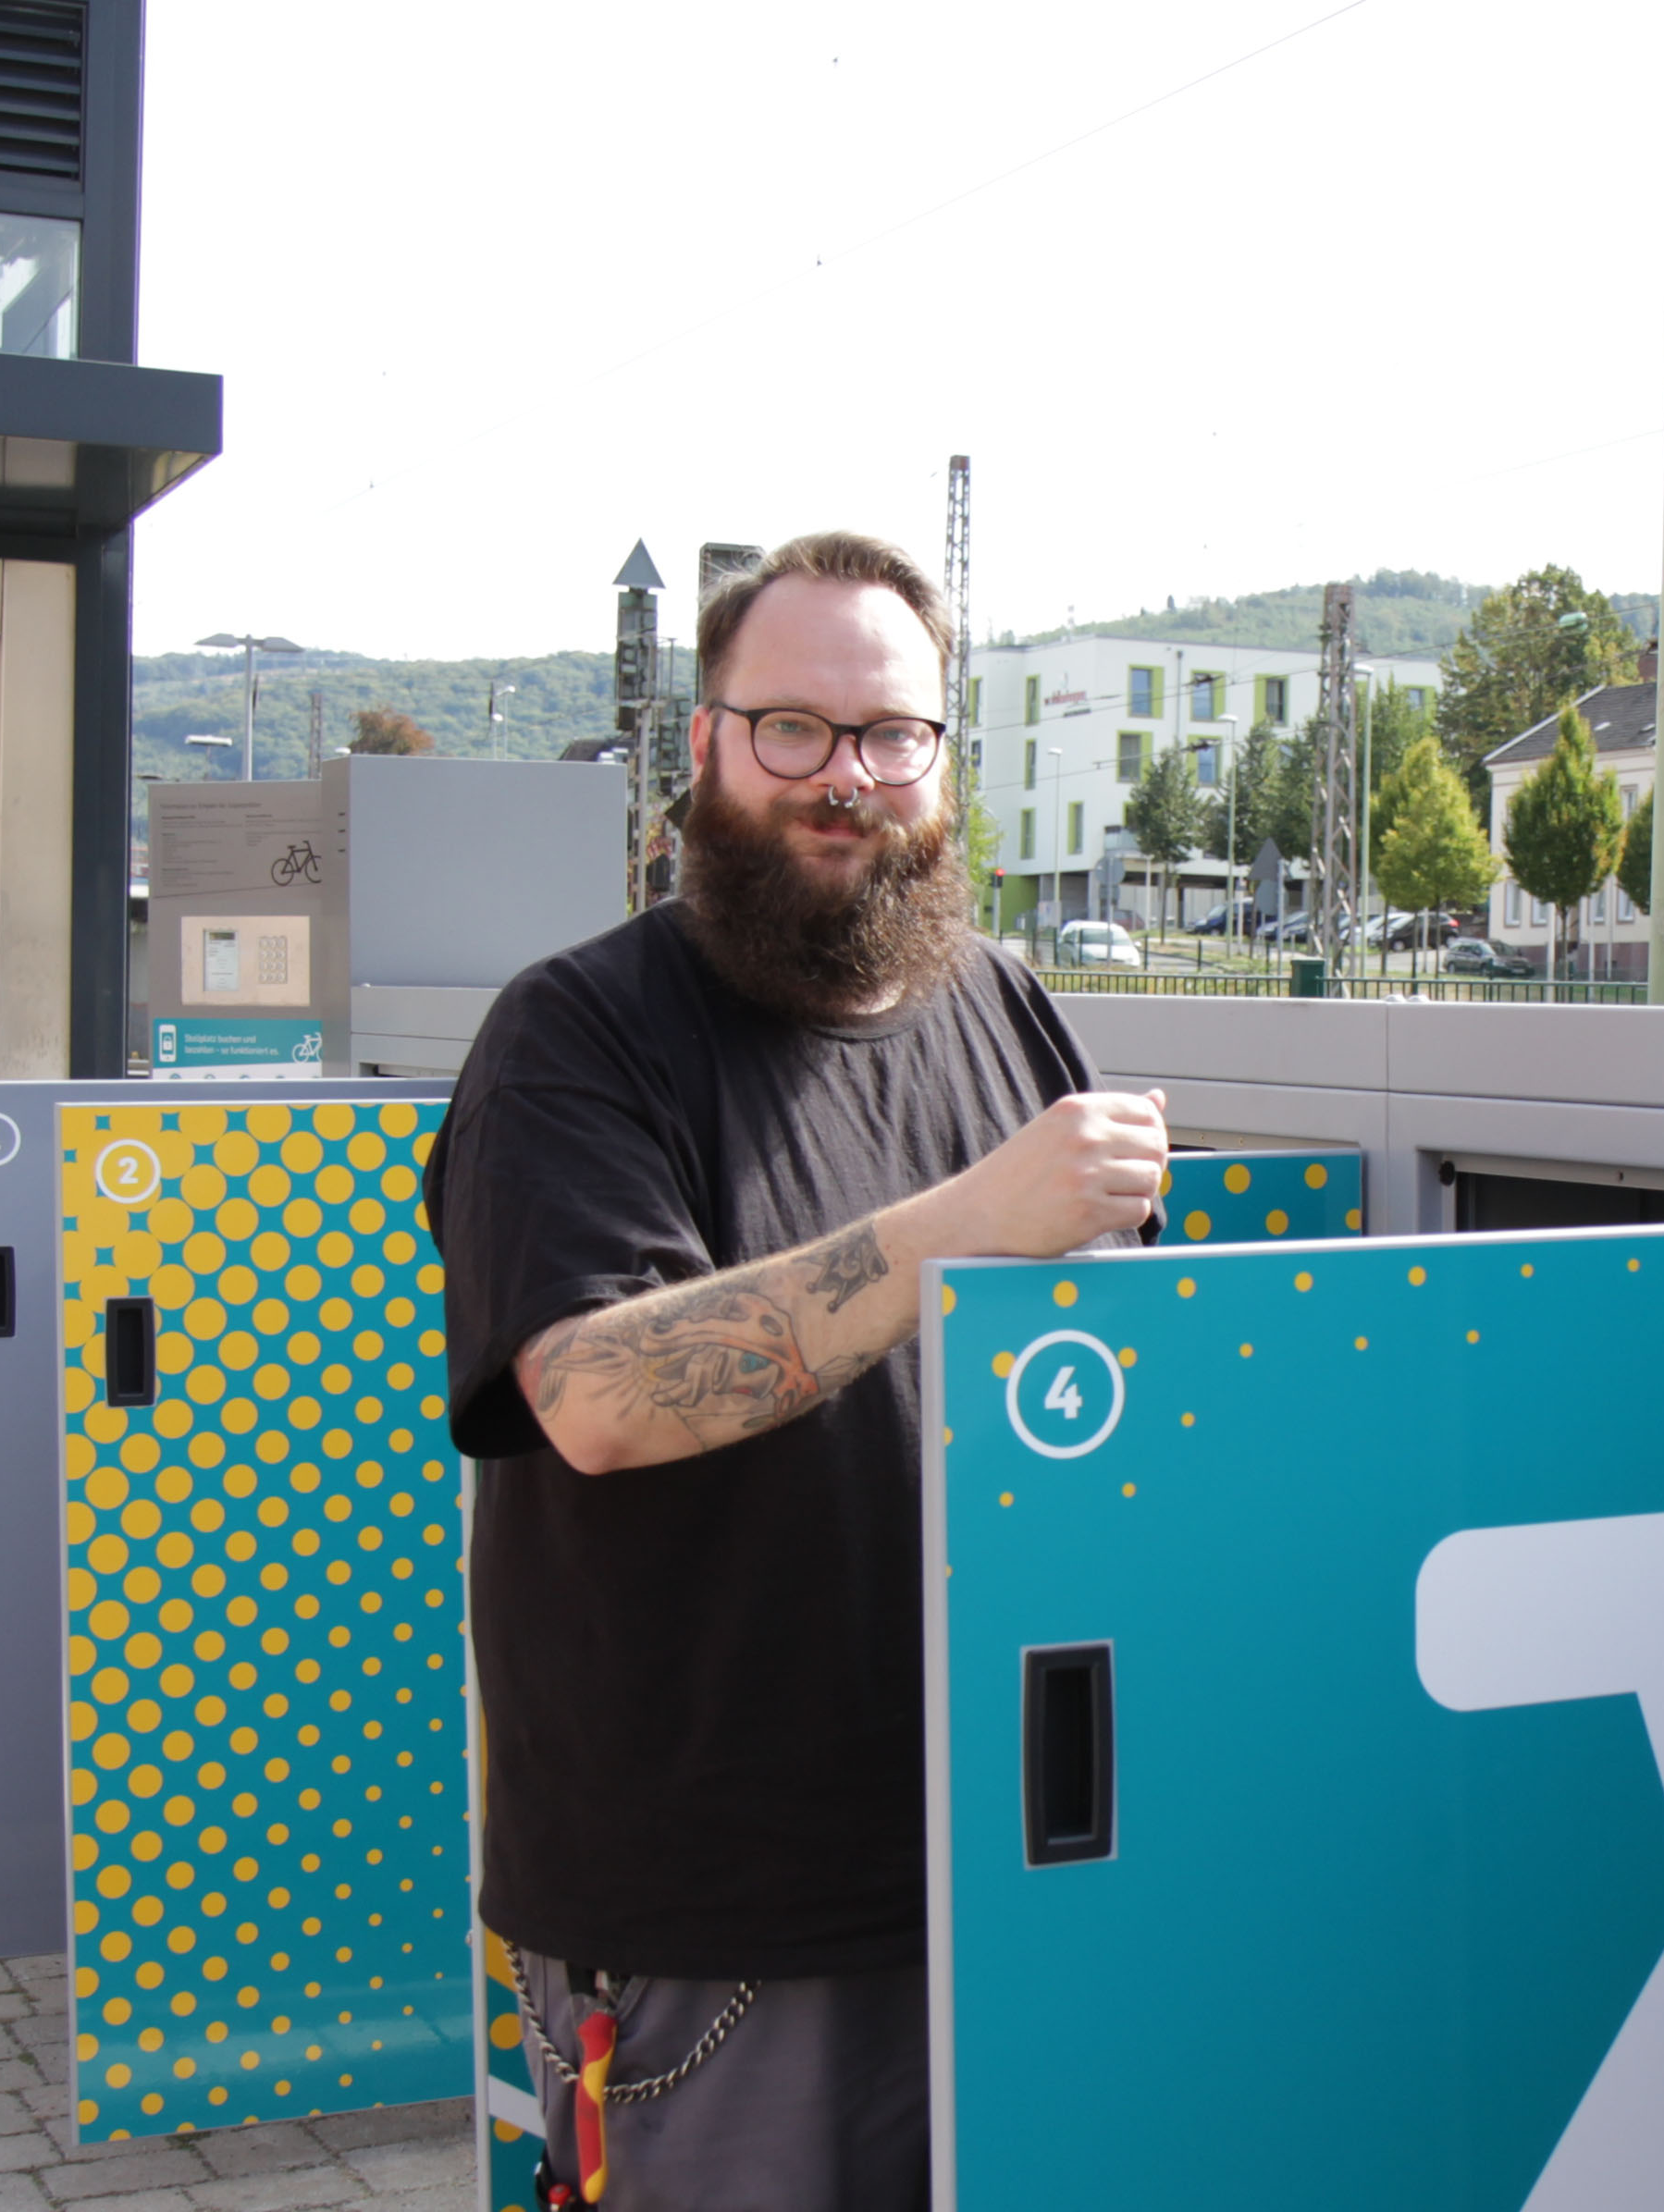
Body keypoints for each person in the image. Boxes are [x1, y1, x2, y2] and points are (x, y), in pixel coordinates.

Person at [430, 532, 1167, 2209]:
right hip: (723, 1918)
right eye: (793, 731)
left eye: (890, 735)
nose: (847, 779)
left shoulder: (1009, 1008)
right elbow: (599, 1398)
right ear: (705, 746)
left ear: (939, 758)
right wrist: (976, 1220)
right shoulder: (577, 1036)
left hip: (1018, 1866)